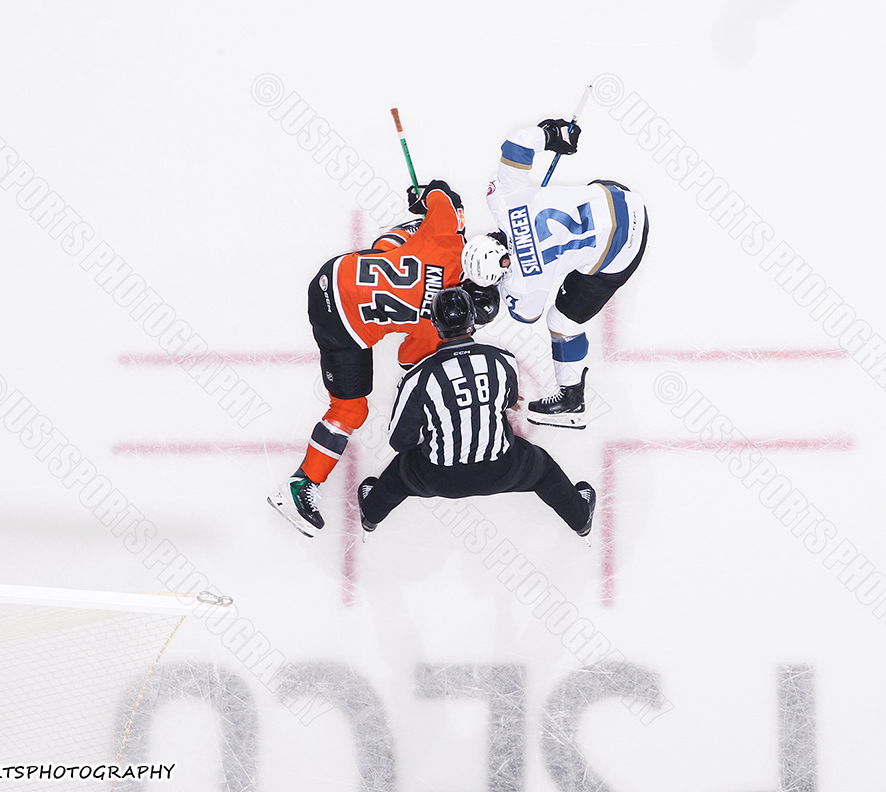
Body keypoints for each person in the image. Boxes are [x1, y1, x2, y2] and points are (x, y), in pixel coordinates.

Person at [268, 180, 470, 538]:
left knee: (396, 245)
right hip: (339, 321)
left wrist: (425, 201)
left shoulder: (447, 237)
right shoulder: (435, 329)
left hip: (333, 274)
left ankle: (405, 236)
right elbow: (409, 363)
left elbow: (440, 193)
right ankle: (299, 486)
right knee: (351, 410)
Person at [356, 287, 596, 538]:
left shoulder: (418, 377)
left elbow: (400, 442)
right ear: (473, 318)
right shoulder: (502, 360)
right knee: (543, 469)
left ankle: (370, 516)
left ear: (435, 323)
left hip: (439, 478)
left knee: (400, 473)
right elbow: (509, 400)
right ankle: (580, 520)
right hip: (502, 470)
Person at [462, 118, 650, 429]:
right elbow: (517, 144)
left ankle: (571, 399)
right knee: (584, 198)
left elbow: (525, 315)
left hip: (625, 247)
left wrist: (498, 288)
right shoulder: (502, 201)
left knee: (561, 321)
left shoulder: (522, 286)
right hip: (623, 199)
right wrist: (551, 136)